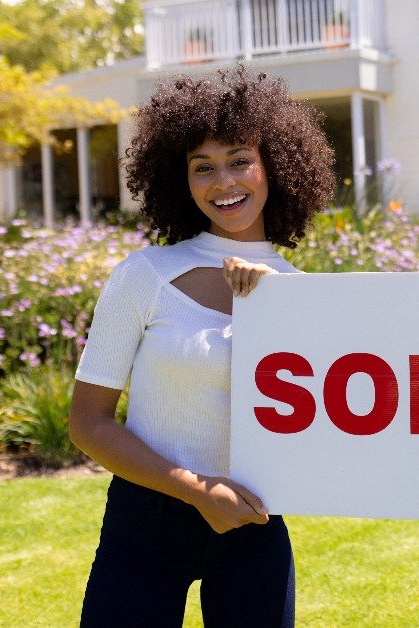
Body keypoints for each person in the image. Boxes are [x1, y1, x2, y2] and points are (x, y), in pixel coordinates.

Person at [69, 66, 335, 627]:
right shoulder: (145, 275)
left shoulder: (302, 293)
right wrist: (195, 490)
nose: (224, 181)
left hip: (253, 527)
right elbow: (89, 423)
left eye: (240, 159)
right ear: (180, 179)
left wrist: (275, 310)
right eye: (202, 166)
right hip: (144, 523)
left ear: (275, 166)